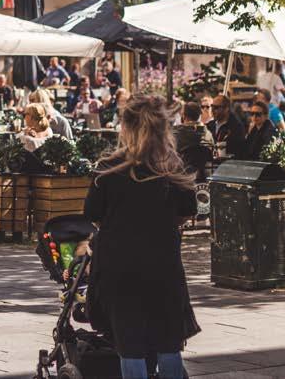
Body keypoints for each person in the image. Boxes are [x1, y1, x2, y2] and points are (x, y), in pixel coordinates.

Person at [85, 94, 199, 378]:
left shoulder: (107, 170)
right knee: (168, 340)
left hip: (118, 266)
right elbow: (187, 211)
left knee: (130, 343)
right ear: (164, 129)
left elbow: (93, 215)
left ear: (124, 127)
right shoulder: (173, 170)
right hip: (162, 264)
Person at [173, 101, 214, 180]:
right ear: (199, 115)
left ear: (183, 116)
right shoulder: (207, 133)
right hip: (203, 175)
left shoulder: (176, 134)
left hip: (181, 175)